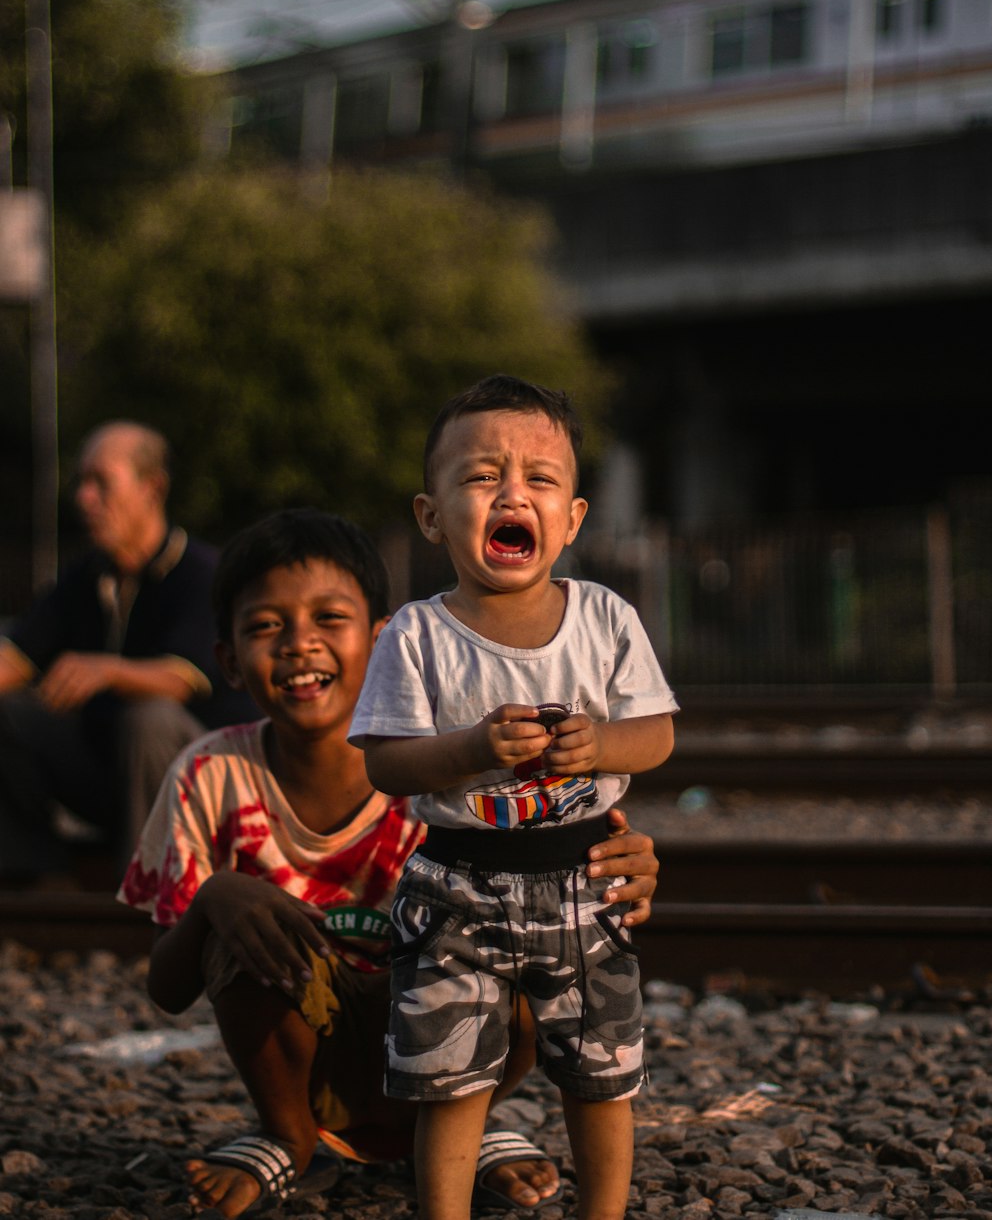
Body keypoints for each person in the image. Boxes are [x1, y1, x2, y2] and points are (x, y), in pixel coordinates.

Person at [118, 506, 662, 1220]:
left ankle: (470, 1124)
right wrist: (215, 897)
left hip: (453, 1037)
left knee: (539, 914)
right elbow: (165, 989)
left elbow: (588, 853)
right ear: (227, 659)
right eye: (265, 626)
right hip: (308, 1056)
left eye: (328, 620)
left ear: (383, 643)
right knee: (243, 919)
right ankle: (288, 1137)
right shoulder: (208, 775)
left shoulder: (450, 772)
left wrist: (627, 865)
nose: (299, 646)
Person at [351, 375, 678, 1220]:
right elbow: (385, 766)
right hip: (457, 881)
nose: (512, 492)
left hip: (584, 877)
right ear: (432, 516)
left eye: (540, 478)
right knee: (451, 1080)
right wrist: (469, 749)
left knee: (601, 1077)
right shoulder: (418, 635)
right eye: (482, 476)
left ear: (570, 519)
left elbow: (657, 735)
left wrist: (600, 744)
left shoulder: (604, 617)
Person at [0, 421, 253, 879]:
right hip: (110, 775)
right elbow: (15, 658)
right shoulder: (87, 577)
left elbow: (181, 678)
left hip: (197, 786)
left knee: (148, 718)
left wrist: (106, 670)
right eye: (82, 482)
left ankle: (152, 893)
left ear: (152, 488)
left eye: (101, 482)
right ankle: (38, 879)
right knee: (10, 712)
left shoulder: (202, 573)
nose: (84, 497)